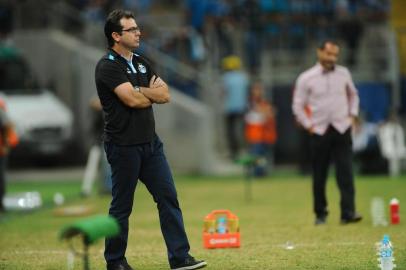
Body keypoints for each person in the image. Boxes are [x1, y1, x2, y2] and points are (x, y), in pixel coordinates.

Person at [95, 10, 207, 270]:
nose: (138, 33)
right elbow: (132, 100)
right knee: (122, 207)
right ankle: (115, 262)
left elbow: (166, 95)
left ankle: (180, 258)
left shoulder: (142, 62)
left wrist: (138, 90)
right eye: (131, 29)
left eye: (137, 28)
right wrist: (146, 93)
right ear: (115, 35)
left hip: (151, 144)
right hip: (123, 146)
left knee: (168, 198)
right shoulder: (108, 65)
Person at [292, 40, 362, 225]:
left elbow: (353, 95)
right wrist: (309, 125)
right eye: (329, 54)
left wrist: (353, 115)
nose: (332, 58)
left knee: (345, 172)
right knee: (319, 174)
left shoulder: (343, 73)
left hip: (342, 128)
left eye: (335, 55)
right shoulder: (306, 78)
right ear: (319, 52)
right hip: (319, 130)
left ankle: (348, 212)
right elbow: (298, 105)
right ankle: (320, 214)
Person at [244, 81, 277, 176]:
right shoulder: (249, 103)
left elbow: (270, 114)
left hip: (265, 134)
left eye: (259, 90)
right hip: (254, 135)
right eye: (256, 89)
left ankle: (262, 172)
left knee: (262, 157)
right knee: (256, 156)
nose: (258, 92)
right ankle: (258, 173)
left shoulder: (264, 103)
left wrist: (265, 112)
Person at [221, 55, 249, 160]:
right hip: (242, 107)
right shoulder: (243, 77)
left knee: (231, 131)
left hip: (230, 108)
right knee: (241, 130)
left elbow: (224, 92)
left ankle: (234, 152)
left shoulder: (226, 77)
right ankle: (244, 149)